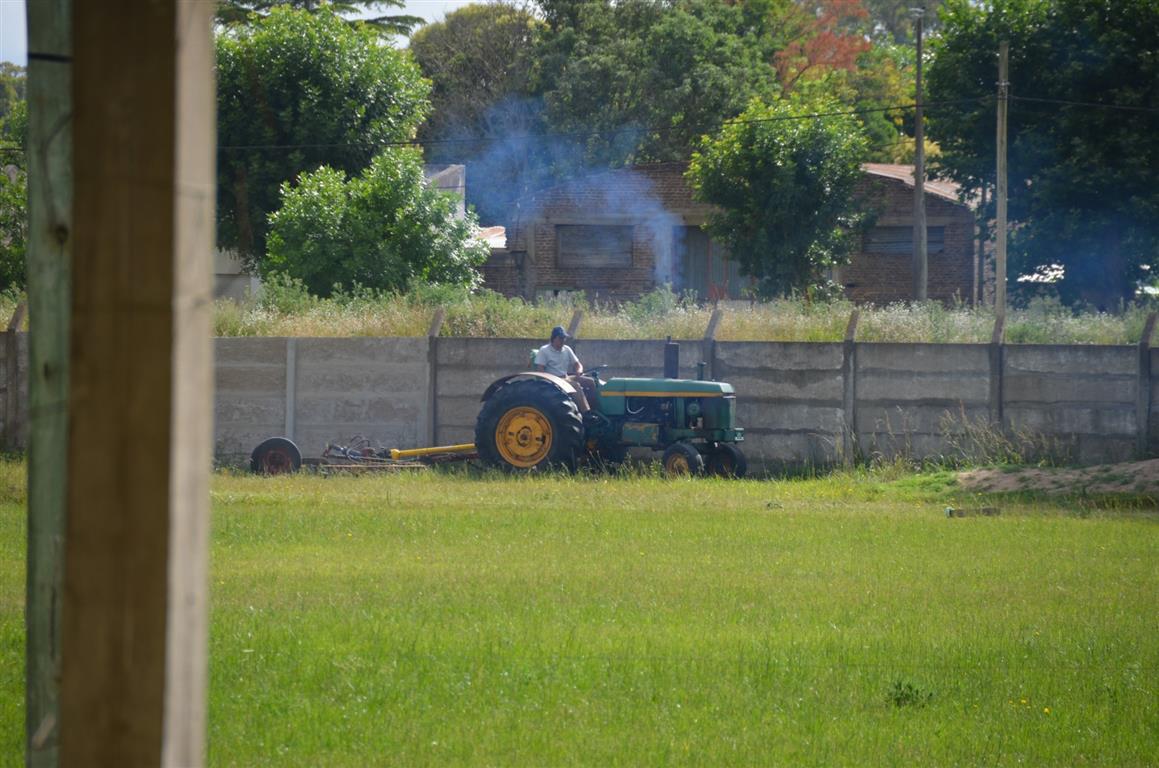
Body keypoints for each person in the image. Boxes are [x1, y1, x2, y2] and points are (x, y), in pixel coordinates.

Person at [535, 325, 590, 412]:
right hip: (553, 380)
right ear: (554, 338)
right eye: (560, 338)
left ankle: (599, 410)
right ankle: (587, 412)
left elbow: (577, 364)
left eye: (564, 338)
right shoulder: (544, 350)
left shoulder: (567, 349)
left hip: (565, 377)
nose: (563, 340)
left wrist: (579, 371)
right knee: (576, 385)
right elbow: (540, 371)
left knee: (590, 381)